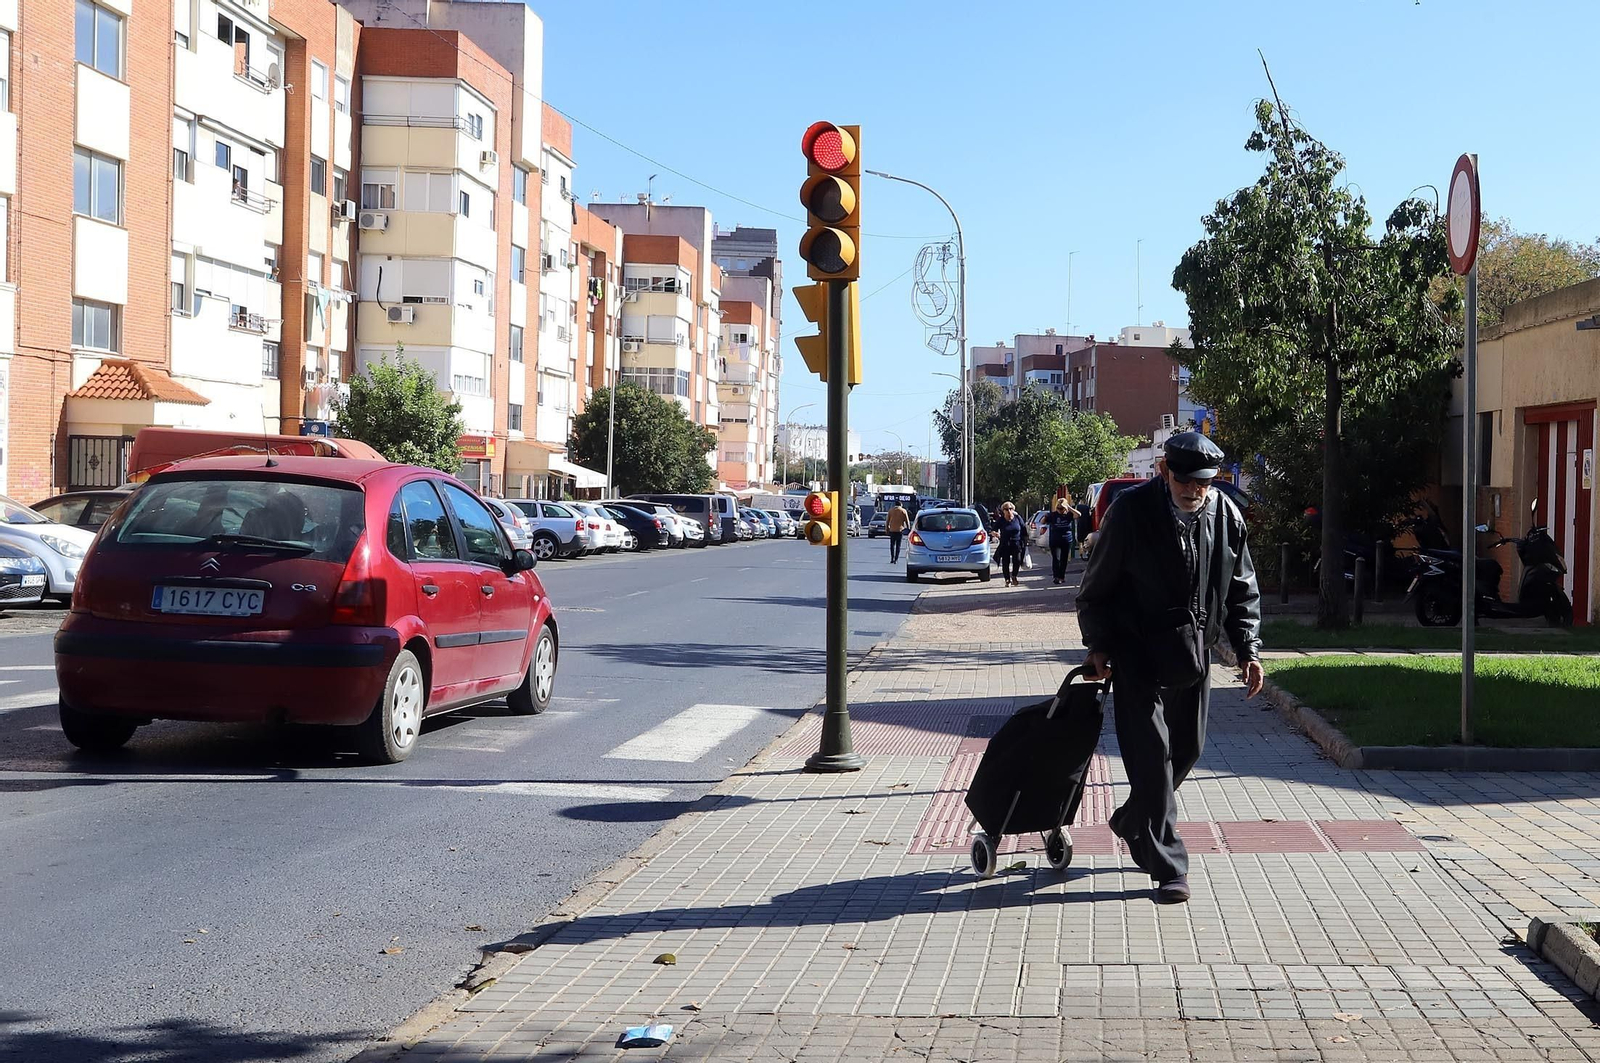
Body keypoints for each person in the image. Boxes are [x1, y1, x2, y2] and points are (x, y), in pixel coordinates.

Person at [1075, 432, 1263, 905]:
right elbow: (1096, 586)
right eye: (1182, 479)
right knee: (1153, 757)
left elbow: (1242, 588)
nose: (1192, 489)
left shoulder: (1225, 515)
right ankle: (1168, 867)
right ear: (1164, 470)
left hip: (1193, 650)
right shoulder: (1130, 513)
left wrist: (1249, 650)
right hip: (1137, 650)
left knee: (1189, 749)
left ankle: (1133, 818)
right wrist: (1098, 644)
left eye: (1201, 482)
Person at [1043, 495, 1080, 584]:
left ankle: (1061, 576)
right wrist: (1045, 517)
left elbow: (1078, 515)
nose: (1060, 510)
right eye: (1058, 508)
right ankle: (1056, 577)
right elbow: (1043, 521)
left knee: (1064, 559)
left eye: (1062, 508)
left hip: (1066, 539)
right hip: (1054, 540)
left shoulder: (1069, 515)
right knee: (1055, 558)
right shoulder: (1052, 515)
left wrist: (1069, 507)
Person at [994, 501, 1026, 586]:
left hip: (1016, 543)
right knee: (1005, 562)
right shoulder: (1001, 520)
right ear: (1003, 511)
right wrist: (995, 534)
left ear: (1013, 510)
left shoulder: (1017, 518)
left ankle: (1014, 576)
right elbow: (993, 529)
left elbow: (1023, 529)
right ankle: (1007, 579)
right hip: (1005, 543)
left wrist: (1025, 541)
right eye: (1006, 509)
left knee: (1017, 560)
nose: (1008, 511)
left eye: (1010, 509)